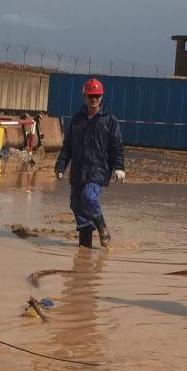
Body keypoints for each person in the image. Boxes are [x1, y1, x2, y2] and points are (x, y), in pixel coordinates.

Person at [55, 78, 125, 247]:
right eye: (90, 96)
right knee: (76, 203)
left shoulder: (109, 120)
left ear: (102, 97)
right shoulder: (77, 119)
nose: (94, 99)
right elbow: (68, 146)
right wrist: (61, 166)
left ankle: (102, 228)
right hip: (78, 170)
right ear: (84, 96)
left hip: (98, 169)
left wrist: (119, 167)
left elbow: (116, 146)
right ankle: (85, 248)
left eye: (97, 96)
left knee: (88, 197)